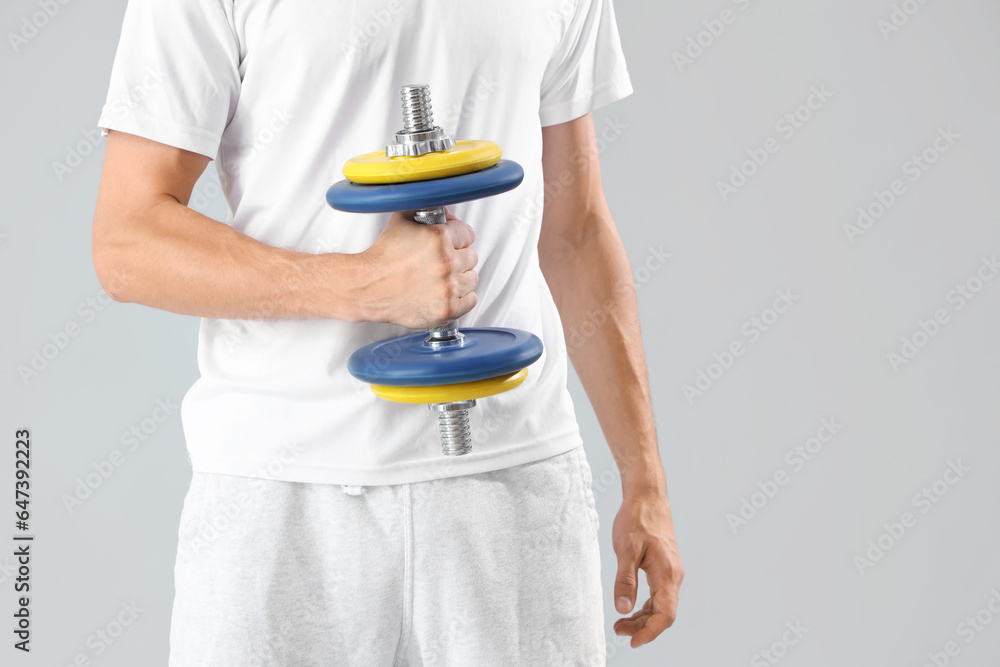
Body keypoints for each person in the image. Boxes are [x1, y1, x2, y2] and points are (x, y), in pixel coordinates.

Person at [93, 0, 683, 664]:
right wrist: (359, 283)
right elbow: (126, 239)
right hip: (282, 495)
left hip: (512, 486)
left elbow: (576, 232)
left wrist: (645, 479)